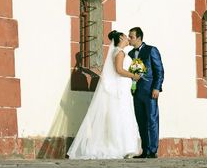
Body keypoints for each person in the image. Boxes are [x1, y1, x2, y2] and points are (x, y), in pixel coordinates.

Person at [67, 30, 142, 159]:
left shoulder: (117, 52)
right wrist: (133, 75)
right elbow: (119, 70)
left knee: (122, 115)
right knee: (122, 115)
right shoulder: (120, 52)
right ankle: (122, 147)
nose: (127, 39)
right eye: (125, 37)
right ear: (120, 39)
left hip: (122, 88)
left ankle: (125, 146)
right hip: (120, 88)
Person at [128, 27, 164, 158]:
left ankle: (152, 150)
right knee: (141, 120)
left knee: (152, 120)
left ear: (139, 38)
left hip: (150, 91)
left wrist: (156, 87)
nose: (129, 39)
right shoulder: (131, 54)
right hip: (137, 92)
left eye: (131, 37)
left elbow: (159, 70)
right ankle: (144, 150)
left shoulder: (151, 50)